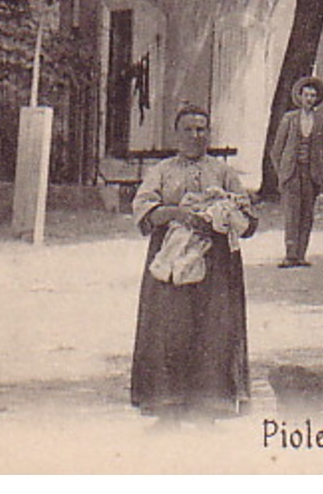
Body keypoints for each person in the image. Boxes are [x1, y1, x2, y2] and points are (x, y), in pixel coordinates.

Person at [130, 104, 256, 418]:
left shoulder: (224, 172)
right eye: (188, 129)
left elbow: (249, 219)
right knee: (169, 328)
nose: (195, 136)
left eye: (201, 129)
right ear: (176, 134)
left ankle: (210, 401)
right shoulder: (161, 171)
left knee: (213, 328)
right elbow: (145, 212)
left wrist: (227, 214)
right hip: (171, 261)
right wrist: (176, 213)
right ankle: (167, 400)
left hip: (216, 265)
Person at [270, 76, 323, 268]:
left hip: (311, 175)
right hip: (291, 174)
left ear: (316, 99)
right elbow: (276, 151)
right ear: (300, 96)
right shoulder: (289, 119)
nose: (309, 99)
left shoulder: (321, 121)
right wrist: (282, 174)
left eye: (313, 96)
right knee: (291, 214)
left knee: (307, 214)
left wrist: (320, 176)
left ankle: (301, 255)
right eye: (306, 95)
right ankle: (290, 255)